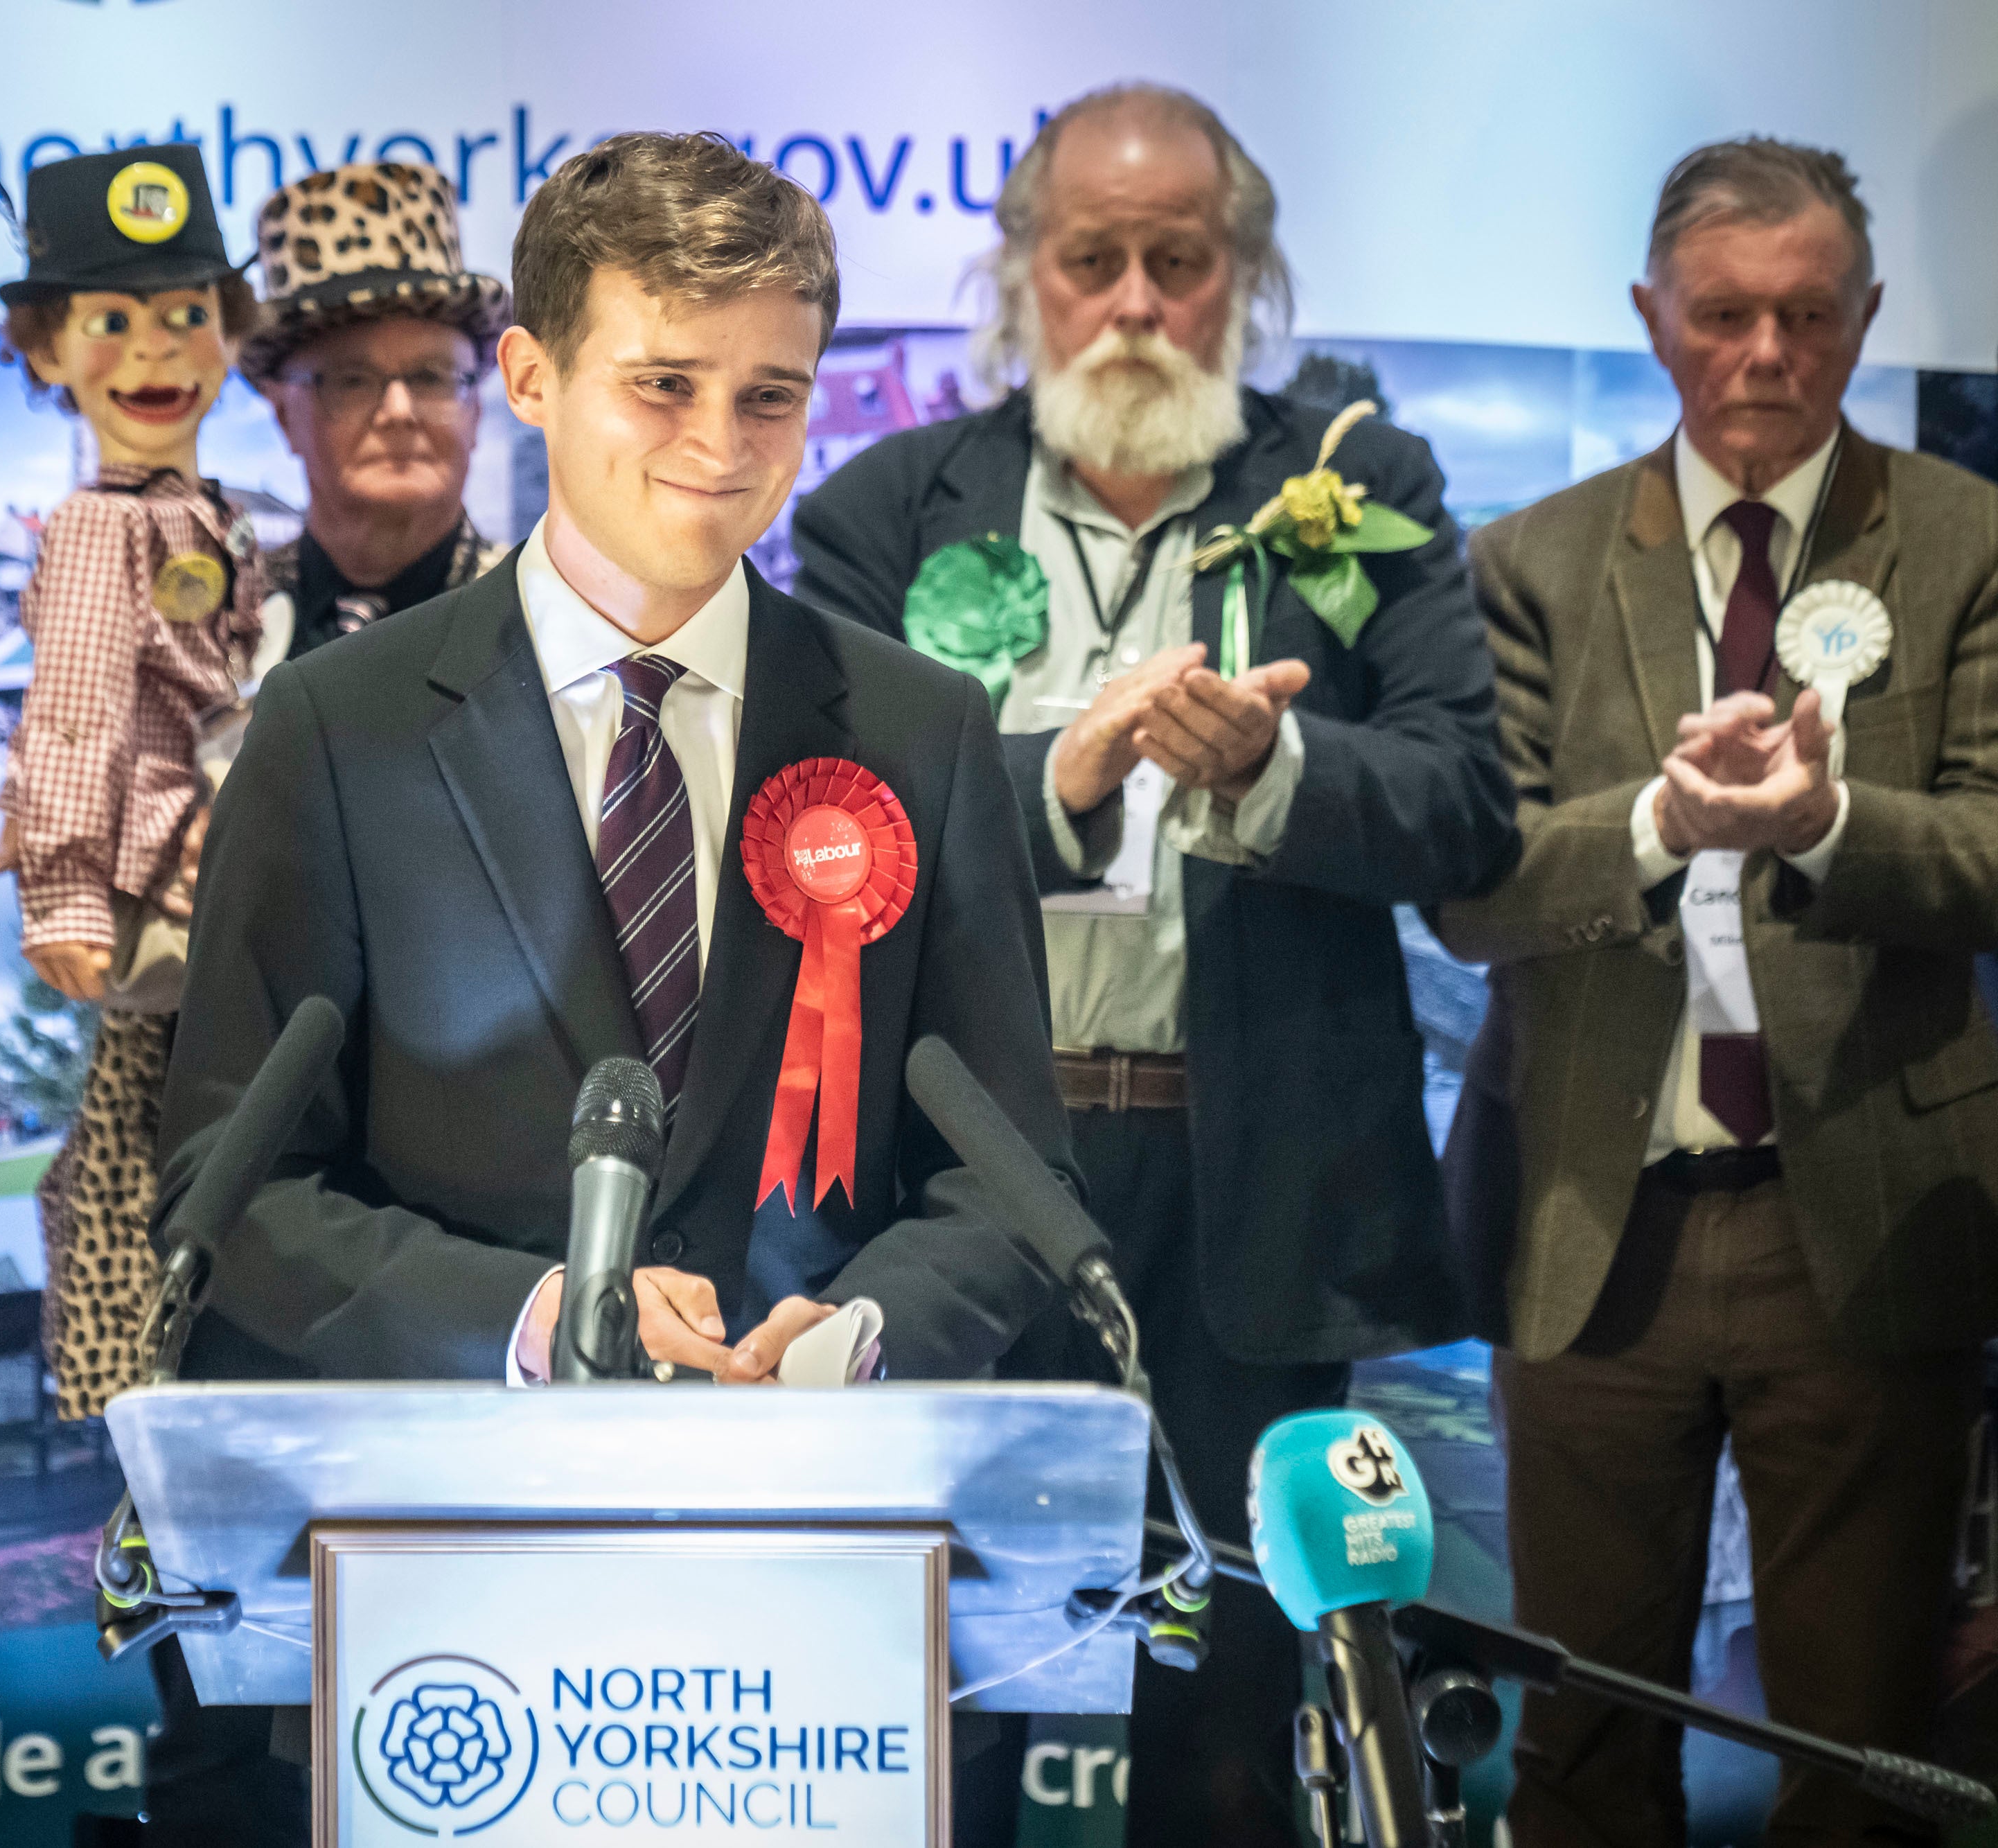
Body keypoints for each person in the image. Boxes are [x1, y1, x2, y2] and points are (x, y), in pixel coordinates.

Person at [145, 128, 1080, 1845]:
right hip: (453, 1566)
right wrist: (521, 1320)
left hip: (825, 1568)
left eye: (771, 397)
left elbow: (1005, 1181)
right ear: (528, 374)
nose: (721, 452)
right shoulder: (340, 736)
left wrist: (865, 1332)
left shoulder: (923, 734)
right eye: (662, 386)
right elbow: (235, 1186)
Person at [790, 82, 1517, 1848]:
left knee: (1223, 1731)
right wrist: (1056, 779)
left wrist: (1270, 772)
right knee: (940, 1718)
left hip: (1248, 1183)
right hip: (958, 1188)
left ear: (1241, 277)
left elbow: (1464, 807)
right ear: (1021, 275)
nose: (1131, 304)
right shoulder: (884, 508)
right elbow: (811, 829)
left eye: (1175, 264)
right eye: (1090, 259)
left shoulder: (1359, 484)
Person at [1438, 137, 1998, 1847]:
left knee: (1865, 1762)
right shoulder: (1527, 560)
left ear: (1867, 320)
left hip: (1870, 1220)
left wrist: (1821, 818)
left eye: (1808, 315)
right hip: (1596, 1215)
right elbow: (1472, 891)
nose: (1765, 355)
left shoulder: (1969, 539)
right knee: (1582, 1751)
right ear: (1651, 320)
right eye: (1724, 315)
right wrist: (1661, 819)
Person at [0, 145, 263, 1425]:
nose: (155, 351)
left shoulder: (212, 510)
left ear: (231, 336)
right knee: (147, 1152)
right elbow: (77, 711)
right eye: (112, 321)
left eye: (186, 314)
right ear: (47, 351)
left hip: (223, 863)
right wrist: (67, 889)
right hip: (160, 878)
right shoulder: (99, 526)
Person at [240, 161, 509, 658]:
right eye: (351, 381)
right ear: (283, 416)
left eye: (433, 377)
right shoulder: (221, 626)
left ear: (477, 412)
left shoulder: (540, 625)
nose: (399, 411)